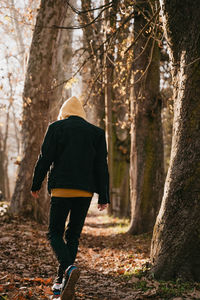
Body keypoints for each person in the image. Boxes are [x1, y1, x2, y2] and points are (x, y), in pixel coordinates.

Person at [31, 96, 110, 300]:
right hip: (85, 192)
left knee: (54, 233)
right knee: (73, 235)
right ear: (82, 113)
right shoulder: (96, 133)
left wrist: (35, 183)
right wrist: (104, 195)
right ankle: (61, 282)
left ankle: (68, 268)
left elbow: (45, 158)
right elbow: (101, 166)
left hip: (61, 189)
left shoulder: (56, 127)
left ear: (64, 113)